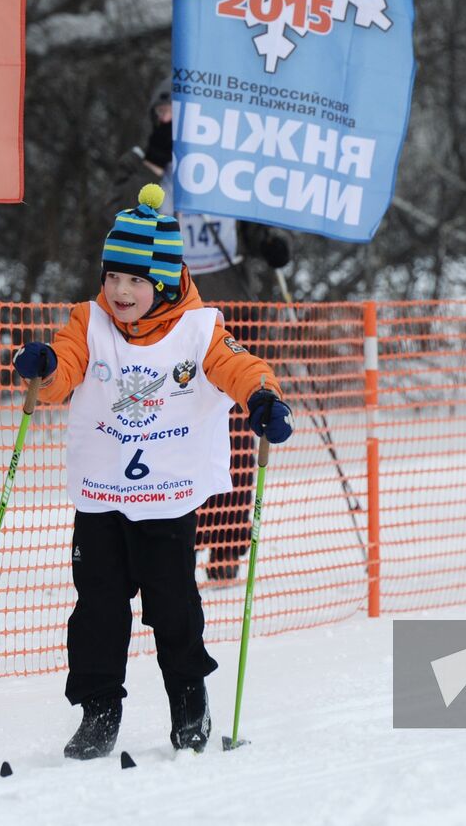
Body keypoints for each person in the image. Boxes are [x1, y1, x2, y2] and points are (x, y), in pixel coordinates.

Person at [11, 184, 294, 759]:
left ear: (162, 282)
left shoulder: (199, 328)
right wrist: (44, 369)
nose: (120, 290)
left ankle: (189, 698)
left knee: (172, 605)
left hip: (167, 497)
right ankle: (99, 710)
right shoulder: (88, 323)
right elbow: (66, 367)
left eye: (136, 280)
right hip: (101, 493)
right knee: (97, 607)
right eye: (114, 275)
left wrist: (263, 397)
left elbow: (239, 367)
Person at [130, 78, 293, 584]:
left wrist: (273, 244)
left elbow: (258, 217)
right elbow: (116, 216)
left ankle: (226, 543)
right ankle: (177, 535)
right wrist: (152, 163)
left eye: (178, 114)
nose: (170, 122)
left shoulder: (228, 169)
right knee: (167, 425)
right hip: (168, 316)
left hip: (231, 305)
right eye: (164, 113)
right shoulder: (148, 173)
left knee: (235, 432)